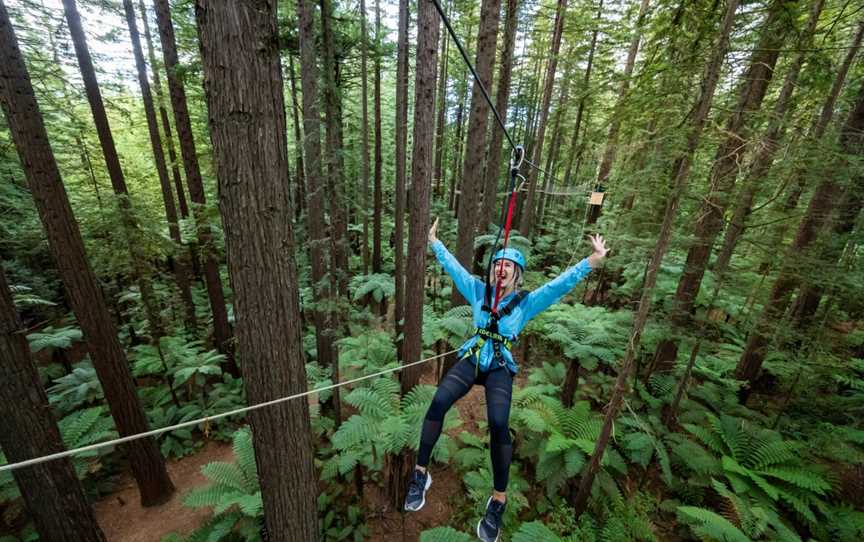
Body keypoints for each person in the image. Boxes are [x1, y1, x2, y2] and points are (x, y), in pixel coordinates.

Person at [404, 217, 609, 541]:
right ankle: (420, 475)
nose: (501, 270)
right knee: (439, 401)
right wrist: (434, 243)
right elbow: (454, 268)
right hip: (473, 358)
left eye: (507, 266)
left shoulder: (525, 302)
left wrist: (591, 262)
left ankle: (498, 499)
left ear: (517, 273)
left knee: (499, 422)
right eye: (497, 264)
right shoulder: (477, 289)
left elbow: (558, 286)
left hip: (499, 365)